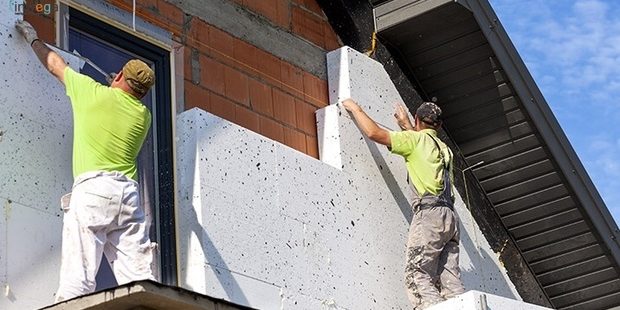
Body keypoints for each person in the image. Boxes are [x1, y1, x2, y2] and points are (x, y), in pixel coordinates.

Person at [15, 20, 157, 302]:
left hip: (94, 192)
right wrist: (114, 89)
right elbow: (121, 103)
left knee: (77, 281)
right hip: (128, 197)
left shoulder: (90, 93)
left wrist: (33, 39)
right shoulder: (144, 116)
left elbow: (55, 64)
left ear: (119, 78)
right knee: (140, 280)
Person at [341, 98, 464, 309]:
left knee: (417, 274)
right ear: (440, 126)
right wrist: (407, 126)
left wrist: (356, 108)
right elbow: (423, 146)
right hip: (450, 218)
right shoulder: (444, 149)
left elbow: (375, 134)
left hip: (430, 216)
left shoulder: (414, 141)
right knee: (450, 282)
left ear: (417, 120)